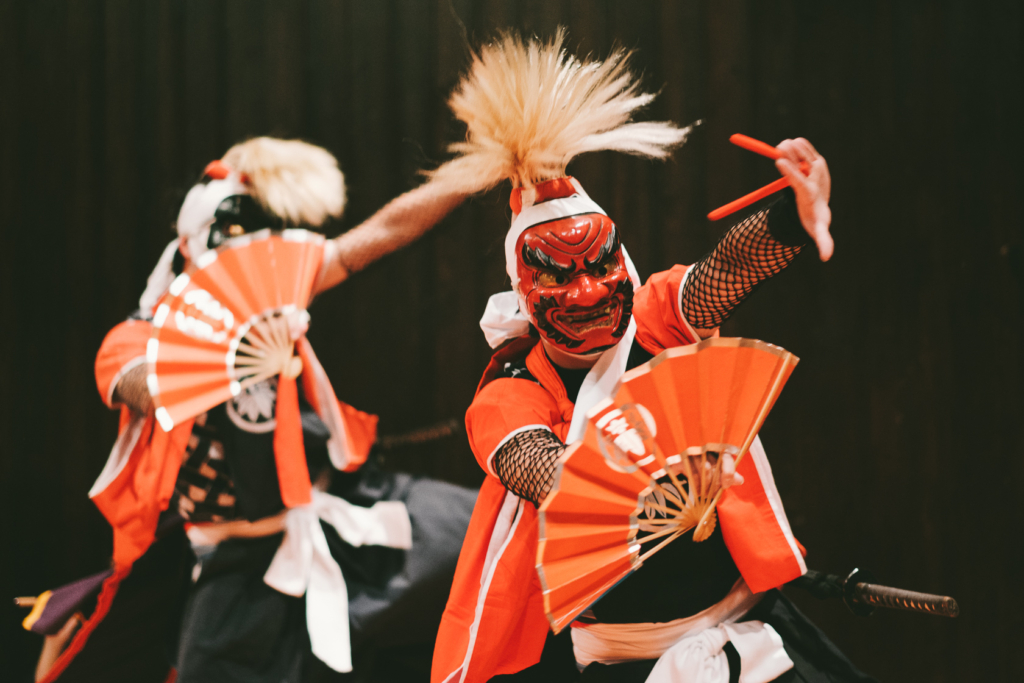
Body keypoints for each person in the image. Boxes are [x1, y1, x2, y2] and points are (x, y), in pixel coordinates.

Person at [427, 32, 875, 683]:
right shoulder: (511, 392)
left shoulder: (655, 318)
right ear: (525, 290)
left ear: (623, 258)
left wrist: (792, 214)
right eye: (559, 274)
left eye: (601, 262)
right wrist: (650, 479)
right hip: (632, 664)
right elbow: (550, 474)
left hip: (753, 639)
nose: (587, 290)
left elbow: (726, 269)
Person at [29, 137, 477, 683]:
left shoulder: (270, 286)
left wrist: (476, 170)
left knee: (483, 534)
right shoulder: (131, 341)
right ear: (193, 251)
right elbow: (153, 388)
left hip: (327, 508)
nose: (253, 266)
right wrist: (231, 355)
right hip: (237, 554)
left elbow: (383, 234)